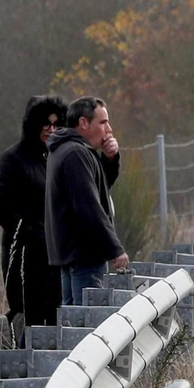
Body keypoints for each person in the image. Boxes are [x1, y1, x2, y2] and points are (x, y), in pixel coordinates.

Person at [0, 95, 69, 341]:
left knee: (56, 317)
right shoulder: (12, 159)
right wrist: (29, 233)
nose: (50, 129)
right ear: (32, 124)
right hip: (25, 259)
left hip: (55, 258)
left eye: (56, 124)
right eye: (45, 123)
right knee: (28, 318)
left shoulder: (54, 159)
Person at [45, 96, 127, 306]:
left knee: (74, 320)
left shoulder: (70, 149)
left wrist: (110, 159)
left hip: (73, 253)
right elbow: (89, 206)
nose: (108, 129)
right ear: (83, 123)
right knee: (87, 322)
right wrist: (114, 249)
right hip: (85, 255)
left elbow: (99, 187)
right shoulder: (75, 153)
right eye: (102, 122)